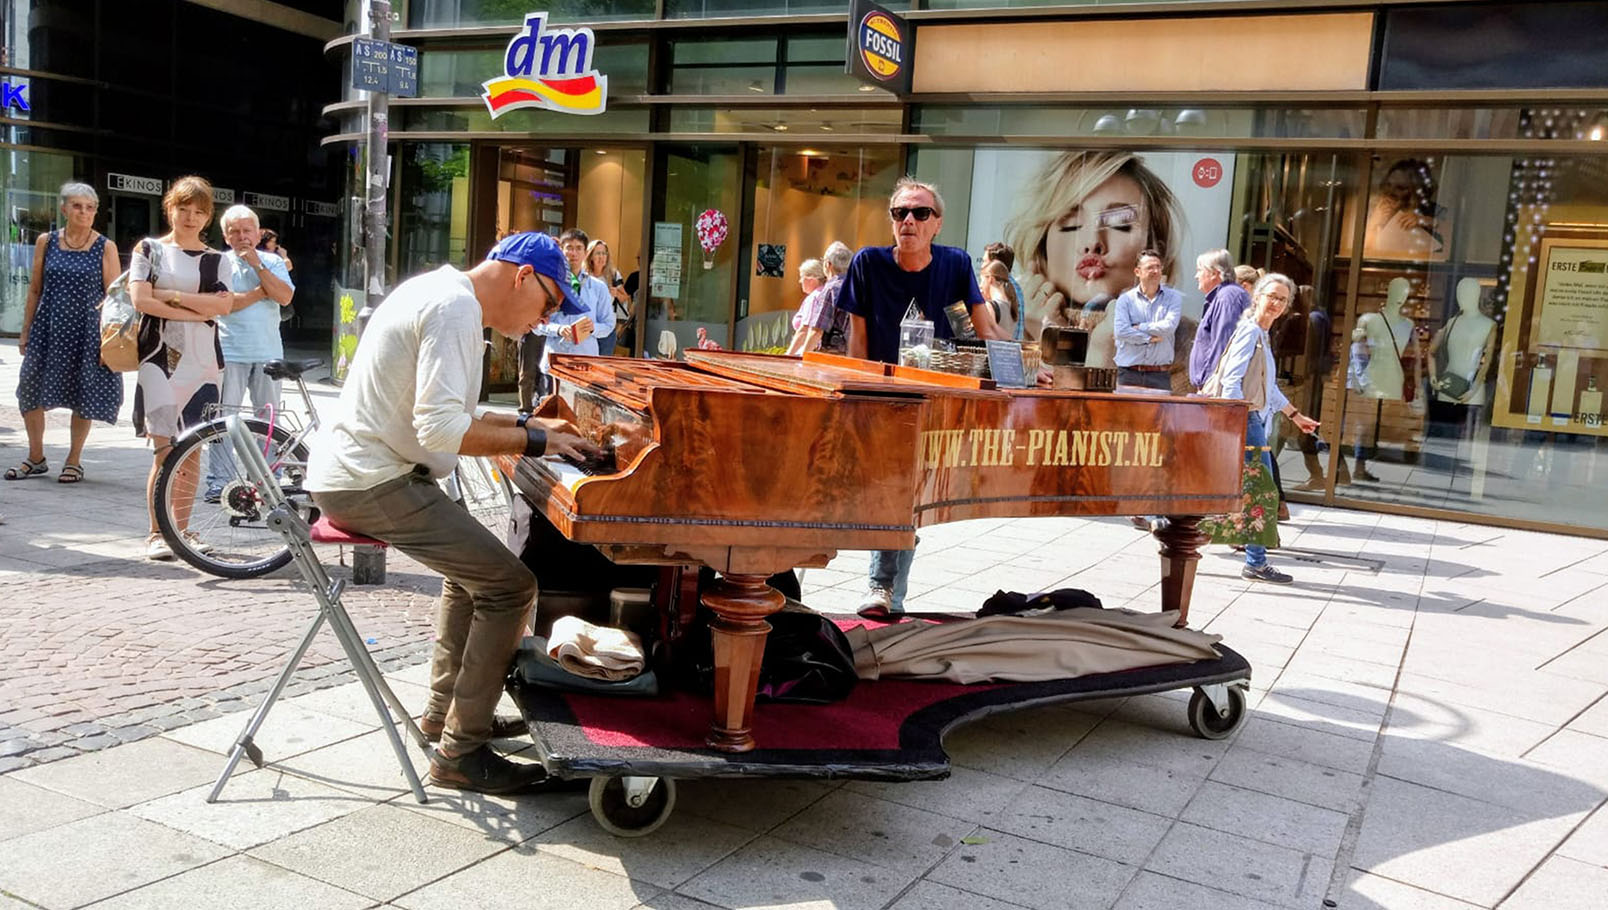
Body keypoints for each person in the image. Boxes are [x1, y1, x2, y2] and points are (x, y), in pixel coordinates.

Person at [307, 232, 597, 794]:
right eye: (551, 300)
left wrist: (535, 430)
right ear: (521, 276)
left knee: (475, 575)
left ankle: (448, 718)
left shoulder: (445, 294)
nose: (546, 318)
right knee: (511, 586)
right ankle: (460, 754)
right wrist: (536, 441)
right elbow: (440, 429)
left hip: (370, 472)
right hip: (369, 481)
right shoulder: (454, 309)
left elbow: (447, 414)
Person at [838, 177, 996, 617]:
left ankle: (884, 590)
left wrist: (1030, 364)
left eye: (919, 213)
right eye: (900, 213)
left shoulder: (955, 266)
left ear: (937, 223)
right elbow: (858, 340)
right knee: (895, 493)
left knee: (903, 495)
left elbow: (982, 331)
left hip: (936, 402)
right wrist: (860, 394)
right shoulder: (868, 264)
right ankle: (884, 589)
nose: (908, 220)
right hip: (883, 399)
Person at [128, 176, 236, 561]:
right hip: (159, 359)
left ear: (207, 217)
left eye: (199, 211)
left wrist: (170, 295)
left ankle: (184, 530)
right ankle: (158, 532)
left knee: (192, 451)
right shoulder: (149, 250)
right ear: (169, 208)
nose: (190, 217)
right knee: (164, 450)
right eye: (183, 208)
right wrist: (198, 304)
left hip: (206, 363)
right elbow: (141, 299)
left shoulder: (216, 258)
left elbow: (224, 306)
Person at [1005, 151, 1181, 352]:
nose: (1092, 242)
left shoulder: (1184, 344)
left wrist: (1056, 344)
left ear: (1156, 250)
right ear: (1042, 247)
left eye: (1119, 224)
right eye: (1072, 225)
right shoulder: (1000, 326)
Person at [8, 182, 123, 485]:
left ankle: (74, 460)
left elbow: (114, 296)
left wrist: (108, 339)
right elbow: (35, 289)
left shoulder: (105, 246)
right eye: (76, 205)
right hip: (47, 329)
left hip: (87, 332)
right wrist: (25, 331)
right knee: (30, 389)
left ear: (96, 211)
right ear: (64, 209)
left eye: (90, 207)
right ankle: (36, 457)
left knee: (82, 393)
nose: (84, 212)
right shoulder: (47, 241)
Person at [1209, 273, 1319, 584]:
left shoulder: (1261, 335)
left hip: (1249, 417)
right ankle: (1255, 563)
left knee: (1246, 489)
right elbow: (1231, 380)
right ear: (1257, 296)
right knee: (1261, 491)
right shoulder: (1249, 332)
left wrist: (1295, 415)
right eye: (1271, 296)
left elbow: (1266, 388)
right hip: (1245, 418)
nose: (1275, 303)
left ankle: (1238, 549)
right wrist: (1233, 421)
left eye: (1282, 300)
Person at [205, 205, 295, 500]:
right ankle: (219, 481)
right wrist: (259, 292)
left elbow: (283, 296)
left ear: (258, 233)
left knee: (267, 421)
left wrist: (257, 266)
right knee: (222, 421)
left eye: (247, 230)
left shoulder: (272, 261)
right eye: (235, 231)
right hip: (229, 351)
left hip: (268, 352)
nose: (242, 236)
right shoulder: (218, 262)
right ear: (225, 235)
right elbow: (225, 305)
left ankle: (269, 478)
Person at [533, 229, 613, 384]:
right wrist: (558, 329)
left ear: (585, 253)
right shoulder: (549, 284)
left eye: (578, 248)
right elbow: (535, 324)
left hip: (586, 363)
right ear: (562, 251)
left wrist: (591, 328)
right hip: (555, 361)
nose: (573, 253)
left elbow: (609, 325)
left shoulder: (598, 287)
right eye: (569, 248)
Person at [1109, 248, 1182, 392]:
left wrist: (1139, 327)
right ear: (1137, 272)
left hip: (1159, 374)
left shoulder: (1173, 297)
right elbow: (1121, 332)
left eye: (1158, 267)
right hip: (1129, 374)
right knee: (1124, 415)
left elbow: (1169, 327)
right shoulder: (1126, 300)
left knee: (1160, 415)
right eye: (1150, 267)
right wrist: (1148, 339)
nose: (1155, 271)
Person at [1187, 249, 1252, 391]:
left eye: (1199, 270)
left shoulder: (1227, 298)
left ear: (1214, 273)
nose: (1196, 276)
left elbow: (1223, 345)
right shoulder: (1227, 296)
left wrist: (1208, 383)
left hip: (1216, 388)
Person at [786, 241, 852, 356]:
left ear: (828, 264)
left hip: (830, 356)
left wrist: (804, 358)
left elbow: (816, 331)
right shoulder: (858, 287)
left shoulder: (831, 289)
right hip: (853, 356)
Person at [584, 238, 628, 355]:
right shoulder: (583, 275)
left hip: (607, 327)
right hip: (587, 325)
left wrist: (616, 294)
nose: (601, 257)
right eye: (598, 253)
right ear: (590, 256)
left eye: (604, 253)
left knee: (603, 361)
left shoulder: (613, 274)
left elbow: (625, 297)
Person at [982, 242, 1025, 342]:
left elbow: (989, 331)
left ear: (994, 265)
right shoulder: (1014, 287)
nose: (982, 265)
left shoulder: (1002, 290)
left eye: (984, 261)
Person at [785, 258, 828, 355]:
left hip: (810, 352)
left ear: (811, 280)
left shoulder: (814, 298)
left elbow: (804, 330)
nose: (800, 281)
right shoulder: (826, 293)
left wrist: (788, 355)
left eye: (802, 277)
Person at [979, 260, 1020, 343]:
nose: (980, 285)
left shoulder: (990, 306)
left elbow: (987, 337)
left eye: (982, 280)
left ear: (990, 279)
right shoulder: (1012, 304)